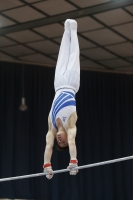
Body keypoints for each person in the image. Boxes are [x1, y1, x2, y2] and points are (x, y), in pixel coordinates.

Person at [43, 19, 80, 179]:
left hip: (58, 85)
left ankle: (66, 30)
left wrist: (47, 165)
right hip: (71, 84)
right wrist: (73, 162)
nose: (60, 140)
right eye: (63, 142)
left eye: (60, 143)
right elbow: (72, 142)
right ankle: (74, 30)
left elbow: (48, 147)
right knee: (73, 56)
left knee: (62, 55)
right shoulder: (71, 127)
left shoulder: (52, 128)